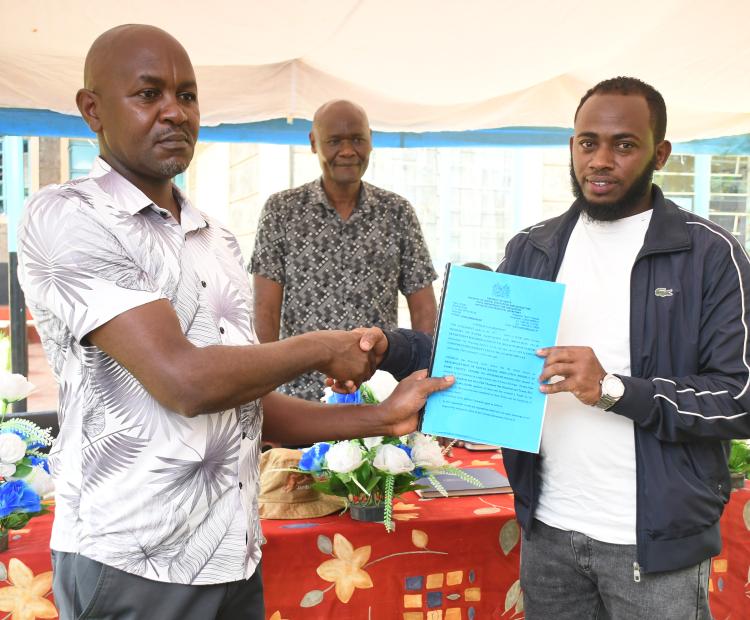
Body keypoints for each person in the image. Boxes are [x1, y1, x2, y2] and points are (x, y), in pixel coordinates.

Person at [16, 24, 453, 620]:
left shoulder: (213, 236)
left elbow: (250, 402)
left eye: (188, 96)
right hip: (134, 562)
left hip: (232, 555)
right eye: (149, 95)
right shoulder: (68, 214)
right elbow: (186, 381)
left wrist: (380, 415)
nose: (174, 112)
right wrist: (322, 347)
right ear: (92, 110)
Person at [364, 77, 750, 619]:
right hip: (549, 536)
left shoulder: (710, 254)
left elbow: (738, 399)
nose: (601, 159)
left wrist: (615, 389)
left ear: (660, 154)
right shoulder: (534, 248)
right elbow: (475, 355)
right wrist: (390, 349)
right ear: (571, 145)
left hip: (654, 548)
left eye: (624, 144)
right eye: (588, 142)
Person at [250, 99, 438, 401]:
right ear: (314, 143)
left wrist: (426, 384)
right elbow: (265, 310)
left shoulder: (397, 212)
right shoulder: (282, 211)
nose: (348, 151)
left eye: (357, 140)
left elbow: (424, 308)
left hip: (377, 399)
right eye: (335, 141)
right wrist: (264, 394)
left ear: (371, 141)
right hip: (299, 400)